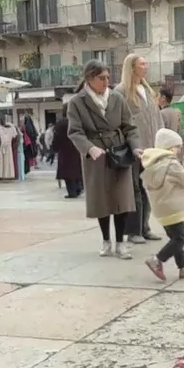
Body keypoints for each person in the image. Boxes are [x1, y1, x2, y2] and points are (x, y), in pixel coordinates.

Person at [66, 60, 139, 258]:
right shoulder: (77, 102)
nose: (106, 82)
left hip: (119, 151)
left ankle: (121, 243)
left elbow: (129, 126)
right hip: (96, 154)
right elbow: (75, 131)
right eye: (101, 78)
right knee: (102, 200)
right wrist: (89, 148)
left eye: (108, 77)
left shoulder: (117, 98)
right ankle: (106, 240)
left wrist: (135, 147)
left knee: (122, 198)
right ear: (90, 79)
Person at [141, 128, 184, 281]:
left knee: (175, 238)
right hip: (172, 207)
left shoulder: (153, 163)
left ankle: (183, 266)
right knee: (181, 238)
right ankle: (157, 260)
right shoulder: (171, 164)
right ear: (169, 147)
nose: (180, 150)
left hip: (161, 209)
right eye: (177, 147)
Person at [116, 54, 164, 243]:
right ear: (132, 67)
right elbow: (119, 122)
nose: (146, 66)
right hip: (134, 149)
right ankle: (133, 231)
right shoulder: (121, 92)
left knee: (148, 189)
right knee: (134, 190)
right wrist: (131, 145)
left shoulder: (148, 91)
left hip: (151, 149)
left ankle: (144, 227)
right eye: (142, 64)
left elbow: (157, 118)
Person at [53, 115, 83, 198]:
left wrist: (55, 148)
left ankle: (71, 192)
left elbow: (56, 138)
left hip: (64, 151)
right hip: (77, 149)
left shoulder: (60, 124)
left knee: (67, 173)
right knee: (77, 170)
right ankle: (78, 188)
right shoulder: (77, 122)